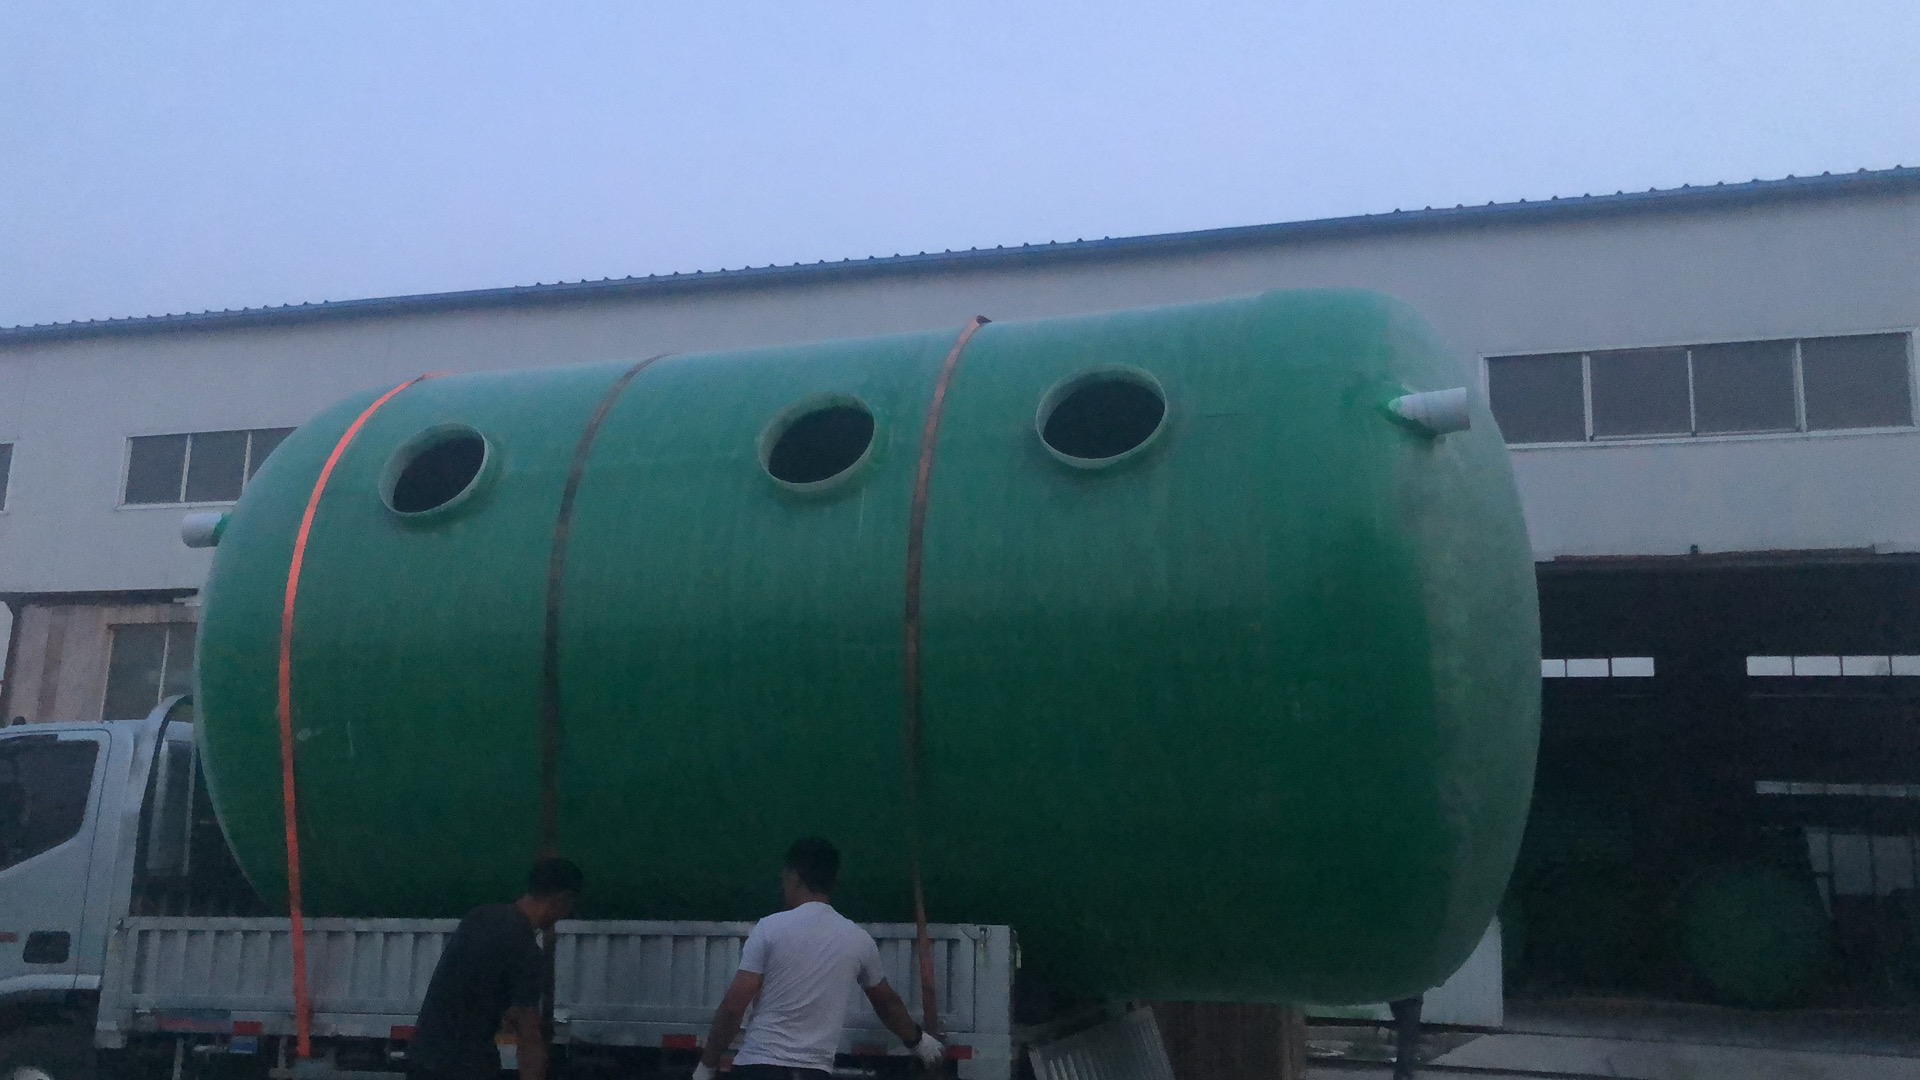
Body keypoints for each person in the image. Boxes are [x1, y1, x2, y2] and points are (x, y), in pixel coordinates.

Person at [695, 839, 944, 1080]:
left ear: (795, 877)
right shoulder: (857, 938)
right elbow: (886, 1003)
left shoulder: (769, 928)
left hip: (758, 1067)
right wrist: (918, 1041)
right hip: (813, 1071)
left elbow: (734, 1006)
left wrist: (707, 1065)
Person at [409, 858, 585, 1080]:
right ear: (562, 900)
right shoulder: (525, 948)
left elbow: (473, 987)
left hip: (422, 1057)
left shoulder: (479, 916)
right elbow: (529, 1038)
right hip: (464, 1066)